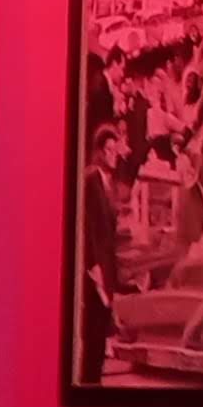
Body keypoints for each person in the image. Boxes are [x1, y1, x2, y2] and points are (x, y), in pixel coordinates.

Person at [80, 121, 130, 381]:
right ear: (98, 151)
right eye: (108, 150)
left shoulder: (108, 183)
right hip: (95, 270)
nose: (113, 155)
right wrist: (93, 266)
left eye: (114, 149)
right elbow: (86, 226)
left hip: (107, 269)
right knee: (94, 332)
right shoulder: (90, 179)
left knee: (100, 332)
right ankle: (88, 381)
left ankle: (93, 380)